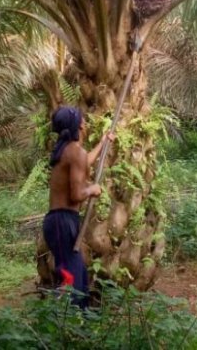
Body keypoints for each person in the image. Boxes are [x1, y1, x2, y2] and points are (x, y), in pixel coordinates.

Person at [42, 105, 114, 308]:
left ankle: (75, 328)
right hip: (63, 222)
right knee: (73, 286)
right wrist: (93, 190)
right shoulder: (76, 152)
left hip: (58, 222)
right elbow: (76, 195)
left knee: (78, 278)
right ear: (78, 126)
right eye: (83, 120)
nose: (85, 122)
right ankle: (66, 328)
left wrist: (102, 144)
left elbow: (83, 164)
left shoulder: (67, 150)